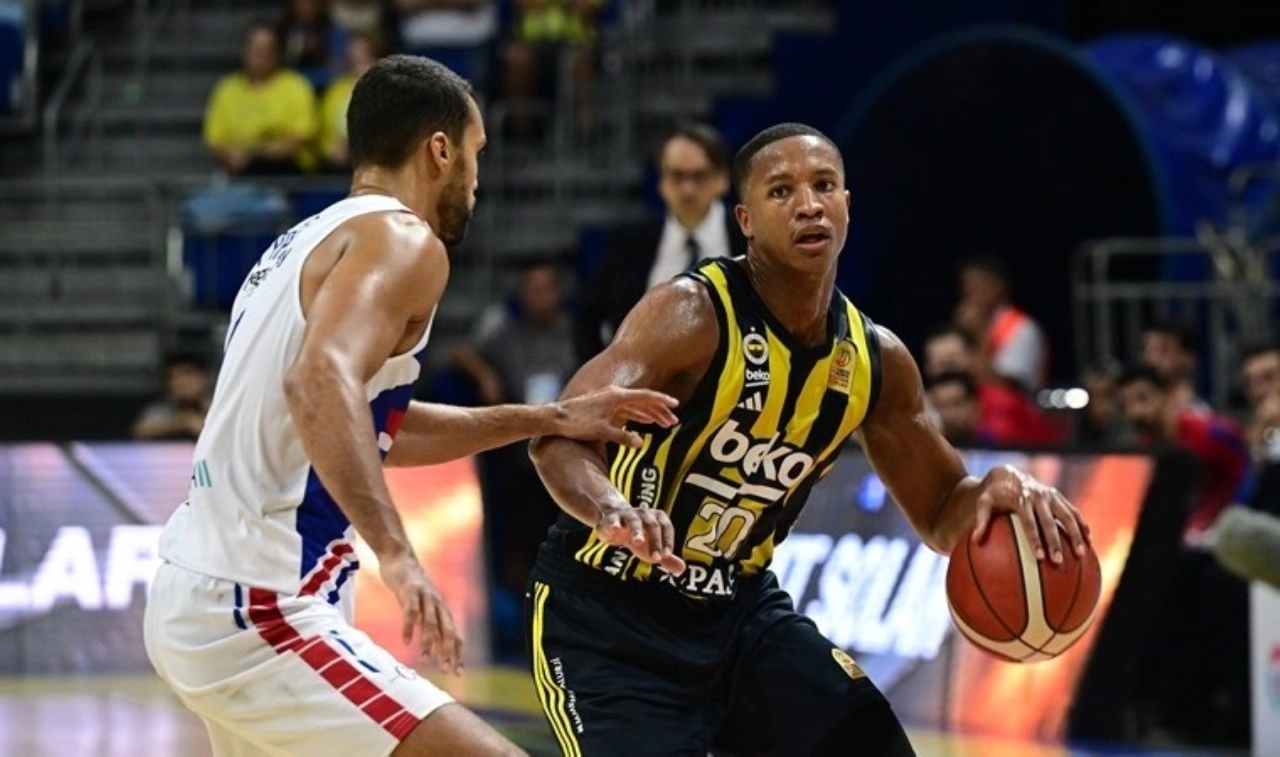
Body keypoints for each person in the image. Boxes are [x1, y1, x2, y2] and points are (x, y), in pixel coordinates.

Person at [145, 56, 679, 757]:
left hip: (204, 584)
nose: (478, 179)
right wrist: (396, 554)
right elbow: (319, 382)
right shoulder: (404, 241)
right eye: (477, 154)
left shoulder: (303, 241)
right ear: (440, 150)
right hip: (262, 602)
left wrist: (544, 418)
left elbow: (372, 427)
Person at [526, 123, 1091, 756]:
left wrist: (992, 490)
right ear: (745, 220)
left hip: (738, 618)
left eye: (824, 186)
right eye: (781, 191)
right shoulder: (689, 315)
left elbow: (940, 510)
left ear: (847, 203)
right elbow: (559, 434)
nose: (808, 205)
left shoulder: (876, 361)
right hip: (608, 618)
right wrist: (611, 508)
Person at [574, 122, 747, 363]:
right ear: (661, 182)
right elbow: (587, 318)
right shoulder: (629, 243)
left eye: (699, 176)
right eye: (677, 176)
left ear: (723, 179)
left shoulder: (749, 236)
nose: (687, 189)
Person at [1117, 364, 1249, 545]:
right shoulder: (1140, 453)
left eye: (1143, 398)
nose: (1135, 412)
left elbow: (1248, 469)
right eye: (1126, 405)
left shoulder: (1210, 433)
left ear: (1166, 395)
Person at [203, 20, 319, 175]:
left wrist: (258, 156)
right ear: (244, 50)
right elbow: (215, 139)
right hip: (238, 171)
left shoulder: (296, 85)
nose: (259, 54)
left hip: (286, 170)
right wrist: (232, 157)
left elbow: (302, 135)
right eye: (254, 47)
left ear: (278, 52)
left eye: (266, 48)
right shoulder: (226, 89)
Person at [921, 323, 1060, 446]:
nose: (948, 370)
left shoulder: (1005, 404)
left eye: (953, 360)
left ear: (973, 359)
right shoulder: (919, 409)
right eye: (939, 362)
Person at [953, 255, 1048, 392]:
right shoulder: (964, 323)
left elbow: (1004, 387)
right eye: (967, 283)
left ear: (1000, 286)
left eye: (981, 282)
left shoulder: (1022, 328)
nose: (971, 290)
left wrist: (977, 335)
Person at [131, 353, 213, 441]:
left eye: (187, 373)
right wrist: (184, 421)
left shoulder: (217, 406)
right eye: (172, 377)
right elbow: (139, 431)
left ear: (204, 377)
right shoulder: (163, 410)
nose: (180, 382)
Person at [1140, 319, 1210, 414]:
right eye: (1146, 350)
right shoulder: (1133, 412)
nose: (1152, 359)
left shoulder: (1200, 414)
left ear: (1189, 358)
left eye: (1164, 350)